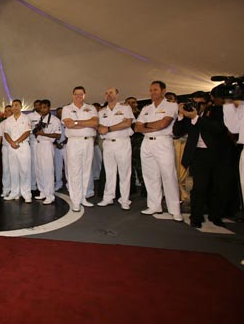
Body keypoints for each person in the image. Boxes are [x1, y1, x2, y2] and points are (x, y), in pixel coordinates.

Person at [174, 92, 231, 227]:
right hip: (197, 155)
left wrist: (196, 117)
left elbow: (218, 128)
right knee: (199, 187)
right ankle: (196, 217)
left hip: (216, 154)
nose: (197, 106)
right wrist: (181, 116)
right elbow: (177, 132)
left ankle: (215, 216)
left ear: (207, 104)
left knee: (217, 187)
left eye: (200, 103)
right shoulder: (188, 115)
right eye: (195, 102)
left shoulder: (217, 112)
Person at [135, 81, 183, 221]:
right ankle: (154, 205)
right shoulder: (146, 108)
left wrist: (146, 125)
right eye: (151, 90)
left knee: (169, 176)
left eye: (155, 89)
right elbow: (137, 127)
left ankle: (175, 209)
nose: (152, 92)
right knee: (150, 176)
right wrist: (150, 126)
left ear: (163, 91)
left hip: (163, 142)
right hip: (147, 143)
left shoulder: (171, 105)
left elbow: (164, 124)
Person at [97, 88, 134, 210]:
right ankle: (108, 197)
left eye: (111, 92)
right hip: (107, 143)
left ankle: (124, 199)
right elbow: (99, 127)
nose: (108, 95)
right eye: (106, 93)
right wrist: (110, 127)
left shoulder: (125, 108)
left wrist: (108, 128)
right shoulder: (102, 111)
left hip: (122, 143)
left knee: (124, 172)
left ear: (117, 94)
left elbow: (127, 123)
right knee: (109, 171)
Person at [62, 87, 99, 212]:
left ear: (84, 95)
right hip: (74, 142)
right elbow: (68, 124)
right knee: (74, 172)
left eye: (81, 94)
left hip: (88, 141)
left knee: (86, 171)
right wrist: (85, 123)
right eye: (76, 94)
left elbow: (94, 123)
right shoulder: (67, 109)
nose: (78, 96)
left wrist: (76, 123)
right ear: (72, 95)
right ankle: (76, 201)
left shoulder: (91, 108)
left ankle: (83, 197)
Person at [32, 100, 61, 204]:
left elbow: (58, 135)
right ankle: (42, 191)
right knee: (39, 170)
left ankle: (50, 195)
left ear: (49, 108)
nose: (42, 109)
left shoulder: (54, 120)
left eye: (44, 107)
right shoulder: (40, 119)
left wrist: (43, 134)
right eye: (41, 107)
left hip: (47, 146)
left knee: (47, 171)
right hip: (38, 145)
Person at [3, 99, 32, 203]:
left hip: (23, 146)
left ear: (21, 106)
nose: (14, 107)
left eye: (17, 105)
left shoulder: (26, 118)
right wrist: (12, 142)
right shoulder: (8, 120)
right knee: (13, 171)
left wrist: (17, 142)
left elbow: (27, 132)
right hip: (12, 147)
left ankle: (26, 194)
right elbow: (6, 133)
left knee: (25, 171)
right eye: (13, 105)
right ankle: (15, 192)